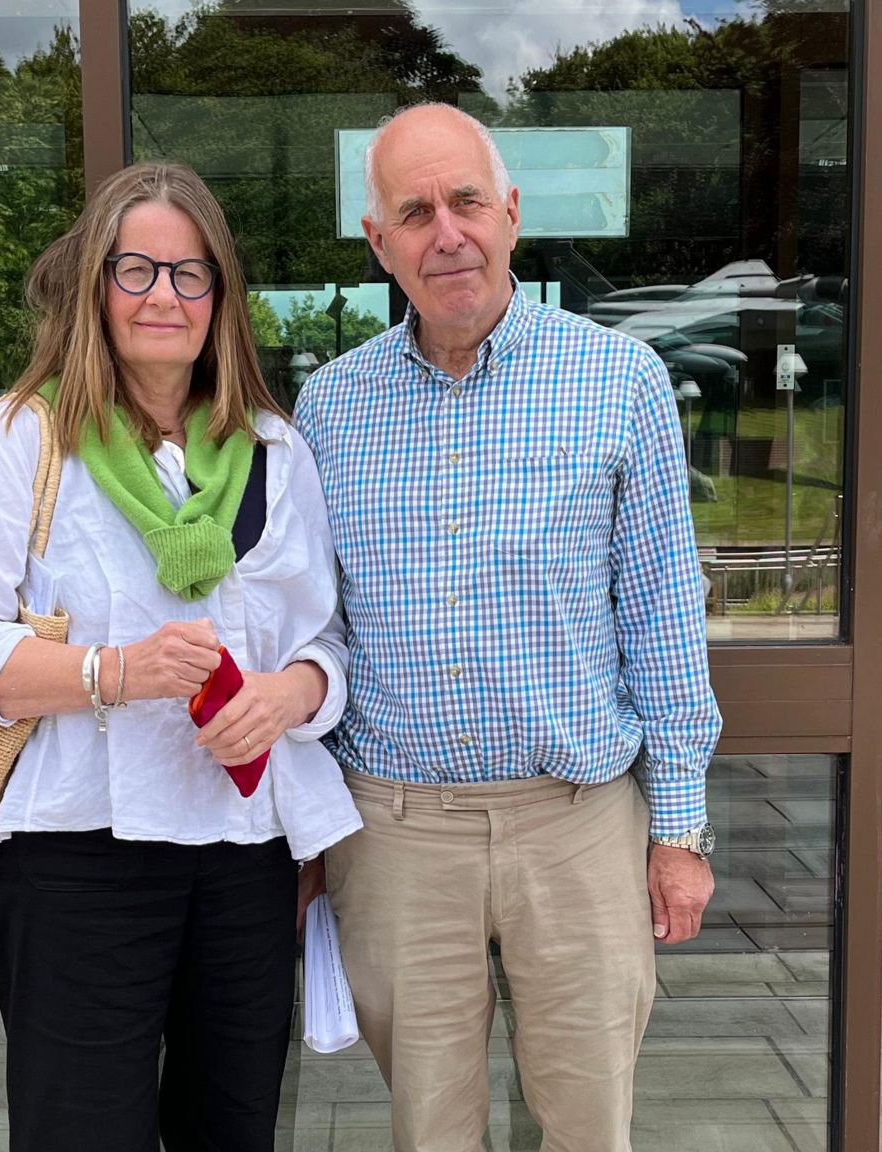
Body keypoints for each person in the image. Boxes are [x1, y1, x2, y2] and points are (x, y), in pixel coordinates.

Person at [294, 104, 724, 1151]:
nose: (446, 232)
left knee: (585, 1124)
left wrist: (679, 830)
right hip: (392, 835)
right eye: (414, 211)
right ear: (377, 242)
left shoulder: (617, 383)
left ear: (510, 215)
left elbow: (662, 615)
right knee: (428, 1132)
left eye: (466, 201)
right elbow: (311, 631)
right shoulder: (325, 409)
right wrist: (301, 836)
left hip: (574, 825)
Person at [0, 161, 361, 1152]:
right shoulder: (24, 439)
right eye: (136, 270)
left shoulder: (274, 451)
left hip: (246, 862)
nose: (164, 295)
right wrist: (112, 674)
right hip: (80, 857)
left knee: (230, 1133)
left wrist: (288, 694)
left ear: (220, 298)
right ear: (92, 288)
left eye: (189, 274)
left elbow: (323, 638)